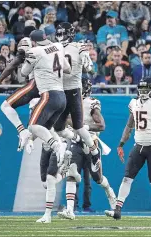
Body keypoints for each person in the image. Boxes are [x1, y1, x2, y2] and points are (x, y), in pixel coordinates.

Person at [105, 77, 151, 220]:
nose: (143, 92)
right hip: (138, 146)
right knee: (127, 178)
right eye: (141, 89)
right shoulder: (134, 103)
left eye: (146, 89)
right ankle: (118, 209)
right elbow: (129, 126)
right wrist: (121, 144)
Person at [58, 79, 116, 220]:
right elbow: (64, 120)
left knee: (97, 178)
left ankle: (112, 197)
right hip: (76, 142)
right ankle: (70, 210)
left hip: (91, 143)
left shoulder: (91, 103)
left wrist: (85, 128)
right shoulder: (68, 101)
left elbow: (101, 126)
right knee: (71, 173)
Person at [54, 22, 101, 172]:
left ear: (71, 34)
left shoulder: (78, 46)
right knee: (59, 129)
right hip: (59, 90)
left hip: (74, 90)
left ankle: (94, 152)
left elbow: (89, 66)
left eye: (63, 33)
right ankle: (78, 139)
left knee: (79, 126)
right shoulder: (54, 48)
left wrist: (87, 61)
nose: (61, 37)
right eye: (59, 34)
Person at [21, 30, 71, 159]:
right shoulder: (58, 47)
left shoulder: (35, 52)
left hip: (49, 95)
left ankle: (57, 146)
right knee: (45, 128)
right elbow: (68, 69)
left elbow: (23, 73)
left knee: (32, 126)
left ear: (33, 41)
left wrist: (26, 55)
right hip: (62, 97)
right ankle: (60, 149)